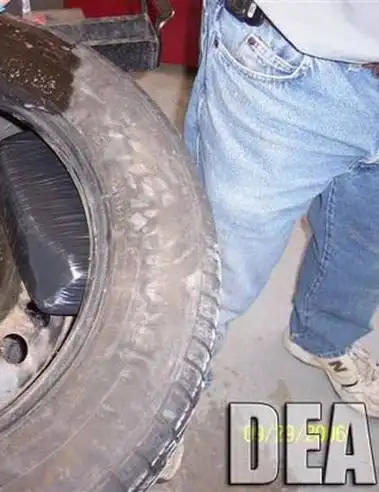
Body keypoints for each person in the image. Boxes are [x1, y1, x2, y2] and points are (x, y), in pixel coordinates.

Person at [156, 0, 379, 484]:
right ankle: (163, 403)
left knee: (364, 248)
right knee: (219, 271)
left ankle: (323, 339)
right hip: (292, 60)